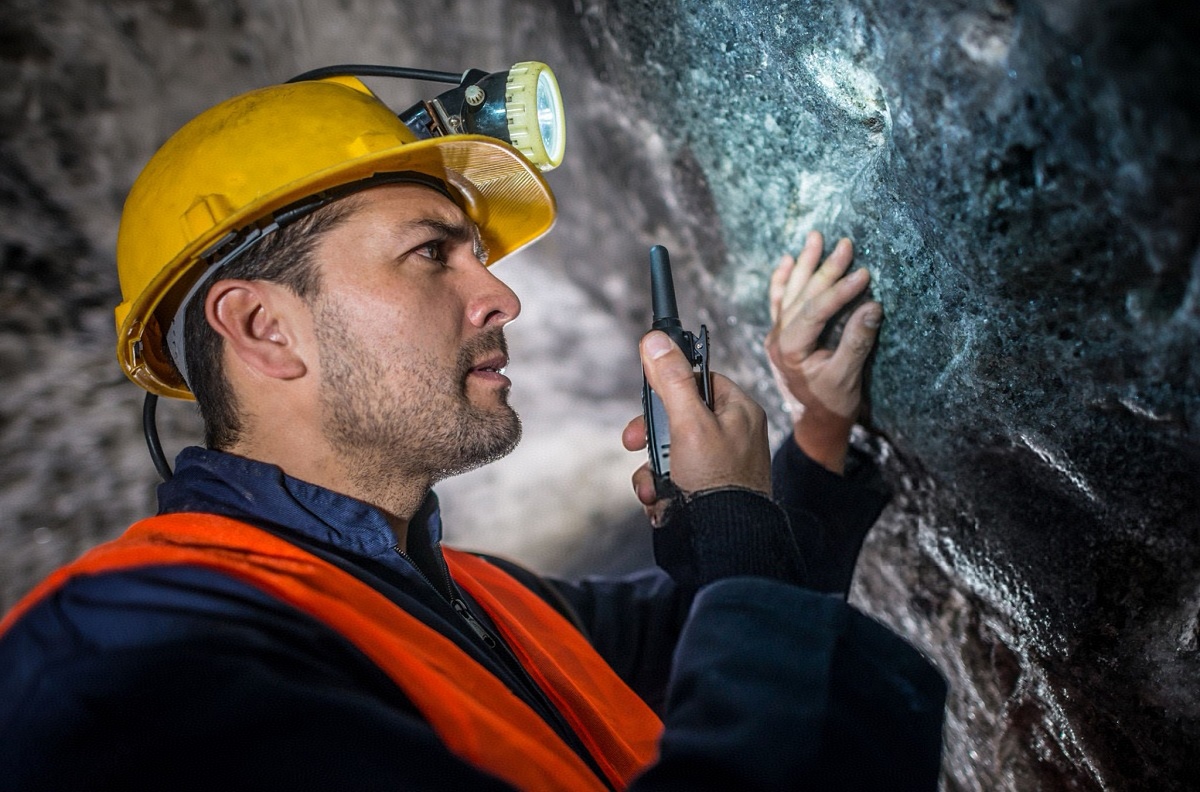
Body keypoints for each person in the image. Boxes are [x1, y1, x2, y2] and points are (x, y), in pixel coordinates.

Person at [0, 72, 945, 791]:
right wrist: (737, 525)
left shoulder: (485, 605)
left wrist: (814, 429)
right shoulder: (119, 664)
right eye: (430, 254)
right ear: (263, 328)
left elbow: (715, 651)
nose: (501, 296)